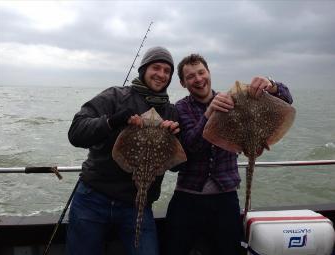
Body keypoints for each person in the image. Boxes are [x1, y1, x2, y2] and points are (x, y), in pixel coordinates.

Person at [166, 53, 293, 255]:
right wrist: (209, 114)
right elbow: (189, 148)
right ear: (183, 83)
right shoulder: (179, 109)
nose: (198, 79)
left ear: (209, 73)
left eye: (201, 72)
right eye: (191, 76)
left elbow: (286, 100)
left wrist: (271, 84)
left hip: (225, 198)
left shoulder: (233, 101)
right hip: (187, 198)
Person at [66, 46, 180, 255]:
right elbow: (76, 133)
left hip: (138, 202)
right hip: (93, 197)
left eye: (167, 71)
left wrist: (174, 138)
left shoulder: (171, 111)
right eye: (156, 67)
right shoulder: (115, 96)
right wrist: (111, 121)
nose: (162, 74)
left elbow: (176, 166)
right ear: (143, 69)